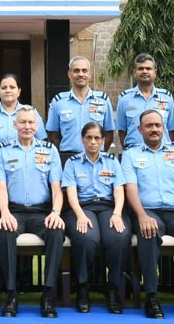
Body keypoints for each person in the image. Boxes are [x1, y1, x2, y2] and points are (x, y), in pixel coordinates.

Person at [121, 109, 174, 319]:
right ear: (140, 129)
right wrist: (141, 215)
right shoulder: (131, 154)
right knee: (148, 232)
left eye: (158, 126)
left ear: (164, 129)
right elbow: (130, 188)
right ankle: (152, 296)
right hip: (148, 211)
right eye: (149, 126)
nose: (154, 129)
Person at [0, 105, 63, 318]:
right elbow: (1, 188)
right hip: (13, 211)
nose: (27, 126)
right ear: (15, 124)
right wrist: (4, 213)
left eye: (31, 122)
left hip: (42, 212)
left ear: (37, 125)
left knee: (56, 232)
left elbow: (57, 189)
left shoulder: (49, 150)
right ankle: (12, 294)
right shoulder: (2, 150)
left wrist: (56, 212)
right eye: (22, 122)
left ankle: (48, 295)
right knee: (4, 233)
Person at [61, 121, 129, 315]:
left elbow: (119, 190)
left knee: (119, 236)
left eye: (97, 138)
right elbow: (71, 194)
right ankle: (83, 287)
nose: (93, 141)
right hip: (82, 207)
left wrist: (117, 213)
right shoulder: (72, 163)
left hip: (108, 206)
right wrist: (80, 215)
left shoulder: (112, 161)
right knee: (86, 237)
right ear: (82, 140)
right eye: (89, 138)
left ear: (103, 140)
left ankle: (113, 288)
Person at [46, 56, 116, 158]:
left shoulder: (103, 100)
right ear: (69, 74)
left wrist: (99, 152)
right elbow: (53, 135)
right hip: (67, 157)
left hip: (96, 157)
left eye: (84, 70)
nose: (81, 74)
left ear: (90, 74)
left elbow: (109, 133)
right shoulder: (58, 102)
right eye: (76, 71)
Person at [115, 54, 174, 150]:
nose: (144, 71)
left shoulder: (167, 98)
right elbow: (122, 132)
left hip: (162, 154)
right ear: (134, 73)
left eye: (148, 68)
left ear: (155, 72)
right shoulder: (124, 99)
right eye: (141, 69)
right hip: (134, 153)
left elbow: (172, 131)